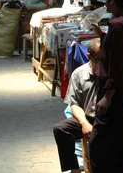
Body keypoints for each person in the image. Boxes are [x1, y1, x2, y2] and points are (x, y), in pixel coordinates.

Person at [90, 0, 123, 173]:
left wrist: (107, 96)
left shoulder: (118, 25)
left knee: (99, 144)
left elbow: (117, 64)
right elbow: (117, 53)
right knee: (120, 138)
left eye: (108, 0)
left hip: (114, 90)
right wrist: (102, 35)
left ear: (112, 1)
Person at [53, 39, 101, 173]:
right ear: (89, 57)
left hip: (107, 120)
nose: (101, 64)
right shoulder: (79, 74)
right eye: (98, 60)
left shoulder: (111, 72)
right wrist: (84, 123)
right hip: (88, 118)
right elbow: (74, 104)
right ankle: (74, 169)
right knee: (61, 129)